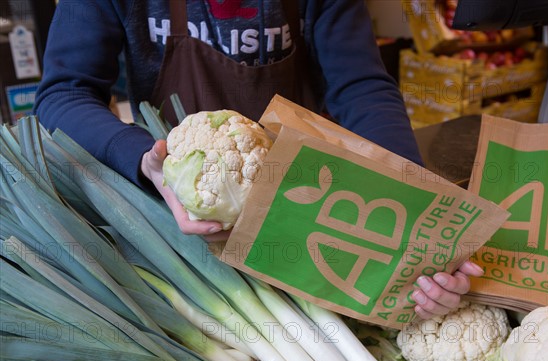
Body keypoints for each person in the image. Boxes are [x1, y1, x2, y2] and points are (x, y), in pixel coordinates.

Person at [34, 0, 483, 319]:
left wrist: (420, 208)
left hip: (305, 213)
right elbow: (62, 94)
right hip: (174, 227)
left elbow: (362, 88)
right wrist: (146, 163)